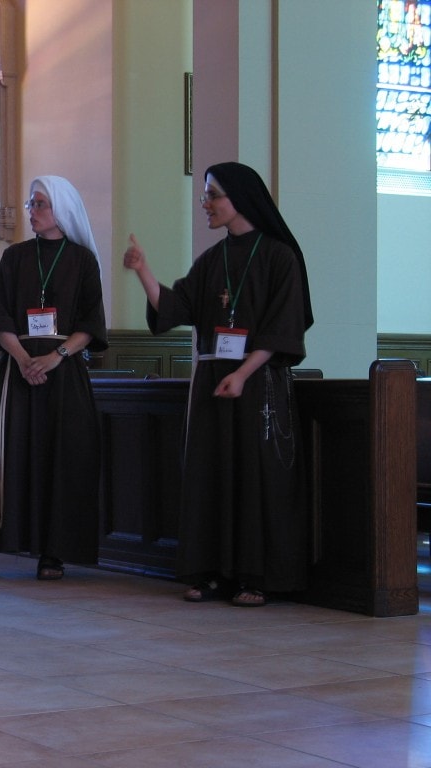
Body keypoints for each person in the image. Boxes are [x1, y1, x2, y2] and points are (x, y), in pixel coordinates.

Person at [122, 161, 313, 607]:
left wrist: (242, 375)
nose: (204, 203)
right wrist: (143, 270)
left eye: (212, 195)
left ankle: (253, 576)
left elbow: (283, 328)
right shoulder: (212, 260)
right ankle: (208, 572)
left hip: (256, 382)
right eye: (205, 195)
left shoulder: (279, 257)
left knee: (253, 477)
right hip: (213, 381)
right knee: (209, 476)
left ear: (239, 199)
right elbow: (174, 307)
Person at [0, 175, 108, 580]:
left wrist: (55, 357)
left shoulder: (82, 261)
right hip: (16, 371)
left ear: (60, 209)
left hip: (63, 373)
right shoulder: (15, 258)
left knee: (61, 457)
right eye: (29, 204)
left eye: (39, 204)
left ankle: (53, 552)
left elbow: (91, 324)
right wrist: (26, 358)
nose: (32, 211)